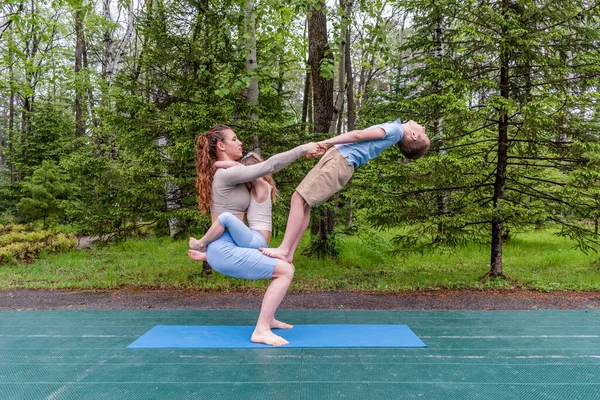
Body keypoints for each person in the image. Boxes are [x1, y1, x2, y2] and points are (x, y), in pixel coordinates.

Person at [193, 124, 320, 346]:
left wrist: (223, 162)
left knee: (282, 268)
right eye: (234, 139)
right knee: (285, 270)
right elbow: (268, 165)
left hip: (228, 248)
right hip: (224, 250)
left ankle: (268, 320)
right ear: (221, 145)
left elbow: (249, 173)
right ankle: (261, 329)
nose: (240, 142)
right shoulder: (228, 174)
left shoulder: (228, 171)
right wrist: (302, 148)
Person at [260, 119, 430, 263]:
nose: (424, 127)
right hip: (342, 161)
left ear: (414, 136)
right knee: (304, 203)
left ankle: (284, 249)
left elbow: (358, 135)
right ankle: (288, 253)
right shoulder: (395, 129)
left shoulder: (394, 130)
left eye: (424, 133)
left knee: (298, 198)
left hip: (340, 160)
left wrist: (327, 142)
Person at [188, 152, 277, 260]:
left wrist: (217, 164)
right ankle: (209, 256)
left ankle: (202, 243)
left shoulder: (262, 186)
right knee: (230, 235)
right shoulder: (259, 188)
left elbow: (240, 168)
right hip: (256, 238)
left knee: (226, 218)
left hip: (258, 239)